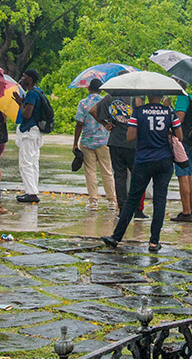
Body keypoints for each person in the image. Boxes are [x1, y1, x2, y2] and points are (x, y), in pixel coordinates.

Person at [101, 93, 182, 253]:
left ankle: (116, 237)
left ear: (148, 95)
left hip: (144, 160)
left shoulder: (139, 111)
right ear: (161, 96)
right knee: (160, 201)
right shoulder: (169, 112)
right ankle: (154, 242)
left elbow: (130, 137)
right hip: (164, 160)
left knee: (132, 199)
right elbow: (179, 135)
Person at [91, 80, 146, 218]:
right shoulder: (137, 97)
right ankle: (138, 210)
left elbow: (93, 111)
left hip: (115, 141)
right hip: (134, 142)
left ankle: (122, 209)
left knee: (120, 176)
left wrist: (106, 124)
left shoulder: (111, 97)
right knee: (138, 175)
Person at [73, 78, 116, 209]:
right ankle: (112, 201)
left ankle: (93, 202)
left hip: (87, 141)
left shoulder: (83, 103)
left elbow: (79, 124)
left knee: (90, 172)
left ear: (88, 88)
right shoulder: (106, 101)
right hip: (104, 140)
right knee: (107, 170)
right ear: (101, 89)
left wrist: (75, 143)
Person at [13, 70, 45, 204]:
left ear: (30, 79)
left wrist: (21, 103)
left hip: (29, 132)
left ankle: (31, 193)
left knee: (25, 163)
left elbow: (27, 114)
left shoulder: (31, 94)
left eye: (24, 77)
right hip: (35, 132)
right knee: (33, 163)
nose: (22, 79)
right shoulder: (38, 91)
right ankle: (32, 190)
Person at [171, 81, 192, 222]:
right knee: (188, 174)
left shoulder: (181, 97)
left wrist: (168, 108)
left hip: (183, 141)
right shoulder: (190, 97)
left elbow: (179, 118)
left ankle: (186, 212)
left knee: (182, 175)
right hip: (191, 140)